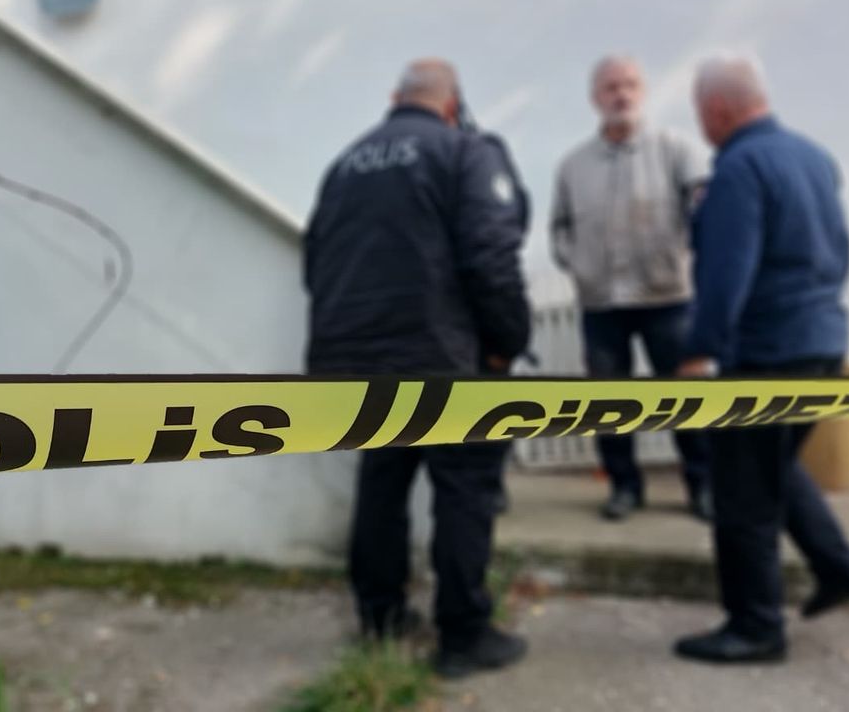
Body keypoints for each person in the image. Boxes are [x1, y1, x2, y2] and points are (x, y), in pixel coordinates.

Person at [304, 58, 531, 678]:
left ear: (394, 97)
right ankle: (463, 635)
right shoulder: (463, 152)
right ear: (453, 105)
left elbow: (314, 261)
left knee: (382, 485)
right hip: (441, 357)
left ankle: (380, 618)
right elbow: (492, 255)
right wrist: (507, 343)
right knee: (465, 488)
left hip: (357, 361)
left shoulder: (345, 164)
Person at [674, 53, 849, 664]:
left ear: (717, 109)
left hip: (766, 354)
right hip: (822, 343)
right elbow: (839, 250)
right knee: (775, 465)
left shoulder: (739, 169)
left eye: (699, 112)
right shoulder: (813, 157)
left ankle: (756, 628)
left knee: (742, 494)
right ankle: (838, 567)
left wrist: (699, 349)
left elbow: (726, 274)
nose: (701, 124)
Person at [550, 55, 713, 522]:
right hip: (601, 304)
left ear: (643, 91)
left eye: (630, 85)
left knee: (686, 400)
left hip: (669, 299)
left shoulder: (677, 150)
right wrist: (579, 266)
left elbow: (706, 215)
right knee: (609, 403)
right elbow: (559, 228)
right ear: (594, 98)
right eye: (610, 87)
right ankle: (624, 487)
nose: (621, 94)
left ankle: (703, 486)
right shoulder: (573, 165)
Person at [457, 96, 533, 516]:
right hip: (468, 325)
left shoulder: (477, 154)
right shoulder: (477, 154)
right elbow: (500, 244)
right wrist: (511, 338)